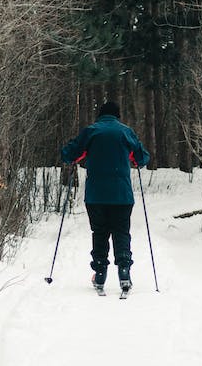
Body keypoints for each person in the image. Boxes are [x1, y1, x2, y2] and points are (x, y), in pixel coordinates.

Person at [61, 101, 150, 292]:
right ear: (118, 116)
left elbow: (69, 154)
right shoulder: (126, 132)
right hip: (121, 195)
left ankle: (100, 273)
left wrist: (74, 151)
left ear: (100, 115)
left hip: (96, 195)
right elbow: (142, 158)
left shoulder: (91, 131)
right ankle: (124, 271)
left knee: (100, 232)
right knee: (121, 232)